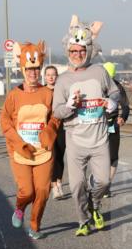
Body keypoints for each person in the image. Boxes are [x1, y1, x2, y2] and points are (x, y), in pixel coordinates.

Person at [51, 15, 120, 236]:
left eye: (81, 51)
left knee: (103, 182)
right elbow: (57, 111)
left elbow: (115, 92)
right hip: (75, 140)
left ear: (88, 51)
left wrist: (113, 102)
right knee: (77, 186)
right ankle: (83, 219)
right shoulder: (62, 80)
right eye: (73, 51)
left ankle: (95, 205)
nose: (78, 55)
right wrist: (70, 106)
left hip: (99, 138)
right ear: (67, 52)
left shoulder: (100, 71)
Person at [1, 41, 60, 240]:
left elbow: (56, 117)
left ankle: (35, 226)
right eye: (29, 69)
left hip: (43, 151)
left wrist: (49, 131)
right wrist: (18, 142)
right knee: (27, 191)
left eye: (36, 69)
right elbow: (5, 121)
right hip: (21, 151)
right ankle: (19, 208)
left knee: (42, 191)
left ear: (40, 69)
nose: (33, 73)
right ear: (22, 69)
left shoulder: (48, 93)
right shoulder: (14, 95)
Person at [102, 62, 130, 198]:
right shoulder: (96, 86)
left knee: (113, 156)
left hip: (113, 124)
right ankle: (98, 182)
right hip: (97, 124)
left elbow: (125, 106)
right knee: (98, 156)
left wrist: (123, 118)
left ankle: (107, 184)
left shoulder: (118, 87)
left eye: (110, 77)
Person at [44, 65, 67, 199]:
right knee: (52, 156)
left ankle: (59, 182)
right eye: (48, 74)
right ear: (45, 77)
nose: (51, 77)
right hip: (48, 127)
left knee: (60, 155)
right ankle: (54, 186)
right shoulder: (41, 90)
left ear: (57, 76)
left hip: (61, 125)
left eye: (53, 74)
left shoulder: (61, 90)